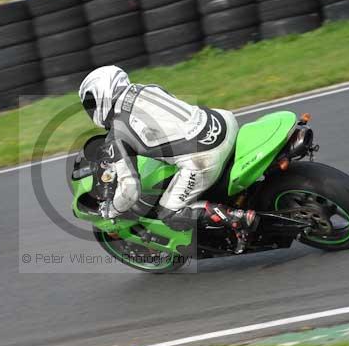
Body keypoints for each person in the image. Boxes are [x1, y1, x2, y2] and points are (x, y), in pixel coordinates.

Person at [78, 65, 258, 237]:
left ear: (102, 95)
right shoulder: (148, 88)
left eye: (91, 103)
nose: (92, 110)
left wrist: (111, 210)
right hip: (223, 122)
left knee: (168, 214)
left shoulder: (118, 133)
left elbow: (130, 191)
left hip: (205, 157)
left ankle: (238, 219)